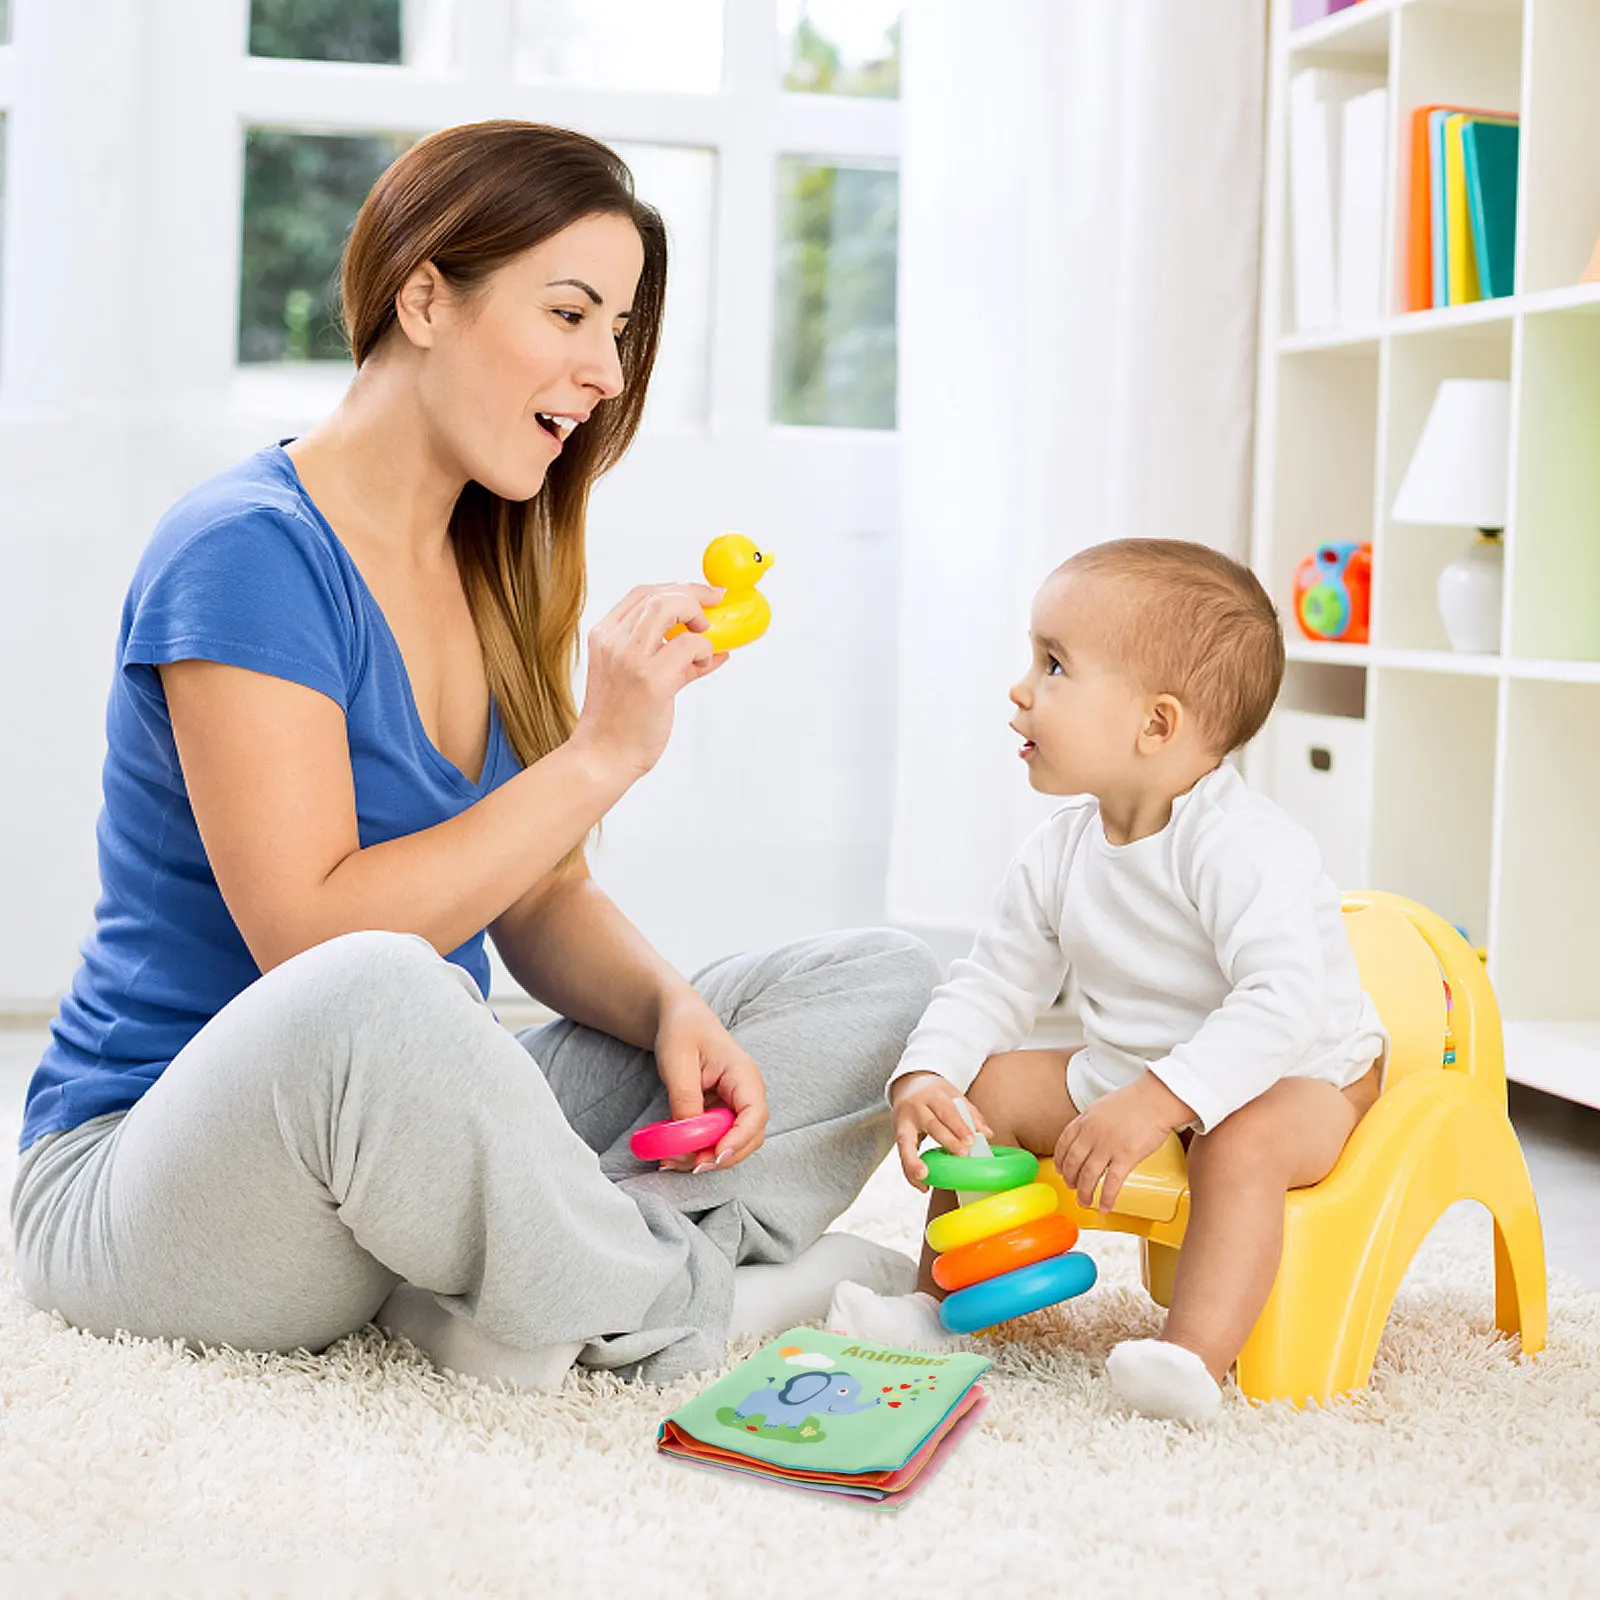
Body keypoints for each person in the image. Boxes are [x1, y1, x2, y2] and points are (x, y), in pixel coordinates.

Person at [9, 121, 935, 1389]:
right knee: (384, 990)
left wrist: (671, 1008)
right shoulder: (246, 551)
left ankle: (529, 1290)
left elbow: (539, 894)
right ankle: (674, 1301)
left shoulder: (493, 561)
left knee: (882, 980)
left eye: (619, 330)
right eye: (570, 313)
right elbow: (313, 945)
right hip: (155, 1182)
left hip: (392, 1132)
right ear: (425, 297)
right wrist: (598, 756)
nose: (605, 371)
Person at [828, 539, 1387, 1421]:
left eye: (1053, 665)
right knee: (989, 1091)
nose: (1020, 689)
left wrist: (1161, 1100)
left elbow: (1284, 1004)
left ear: (1156, 726)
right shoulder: (1059, 850)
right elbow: (994, 980)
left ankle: (1190, 1358)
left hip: (1299, 1074)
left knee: (1237, 1143)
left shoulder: (1244, 847)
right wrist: (930, 1072)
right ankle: (936, 1307)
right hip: (1138, 1066)